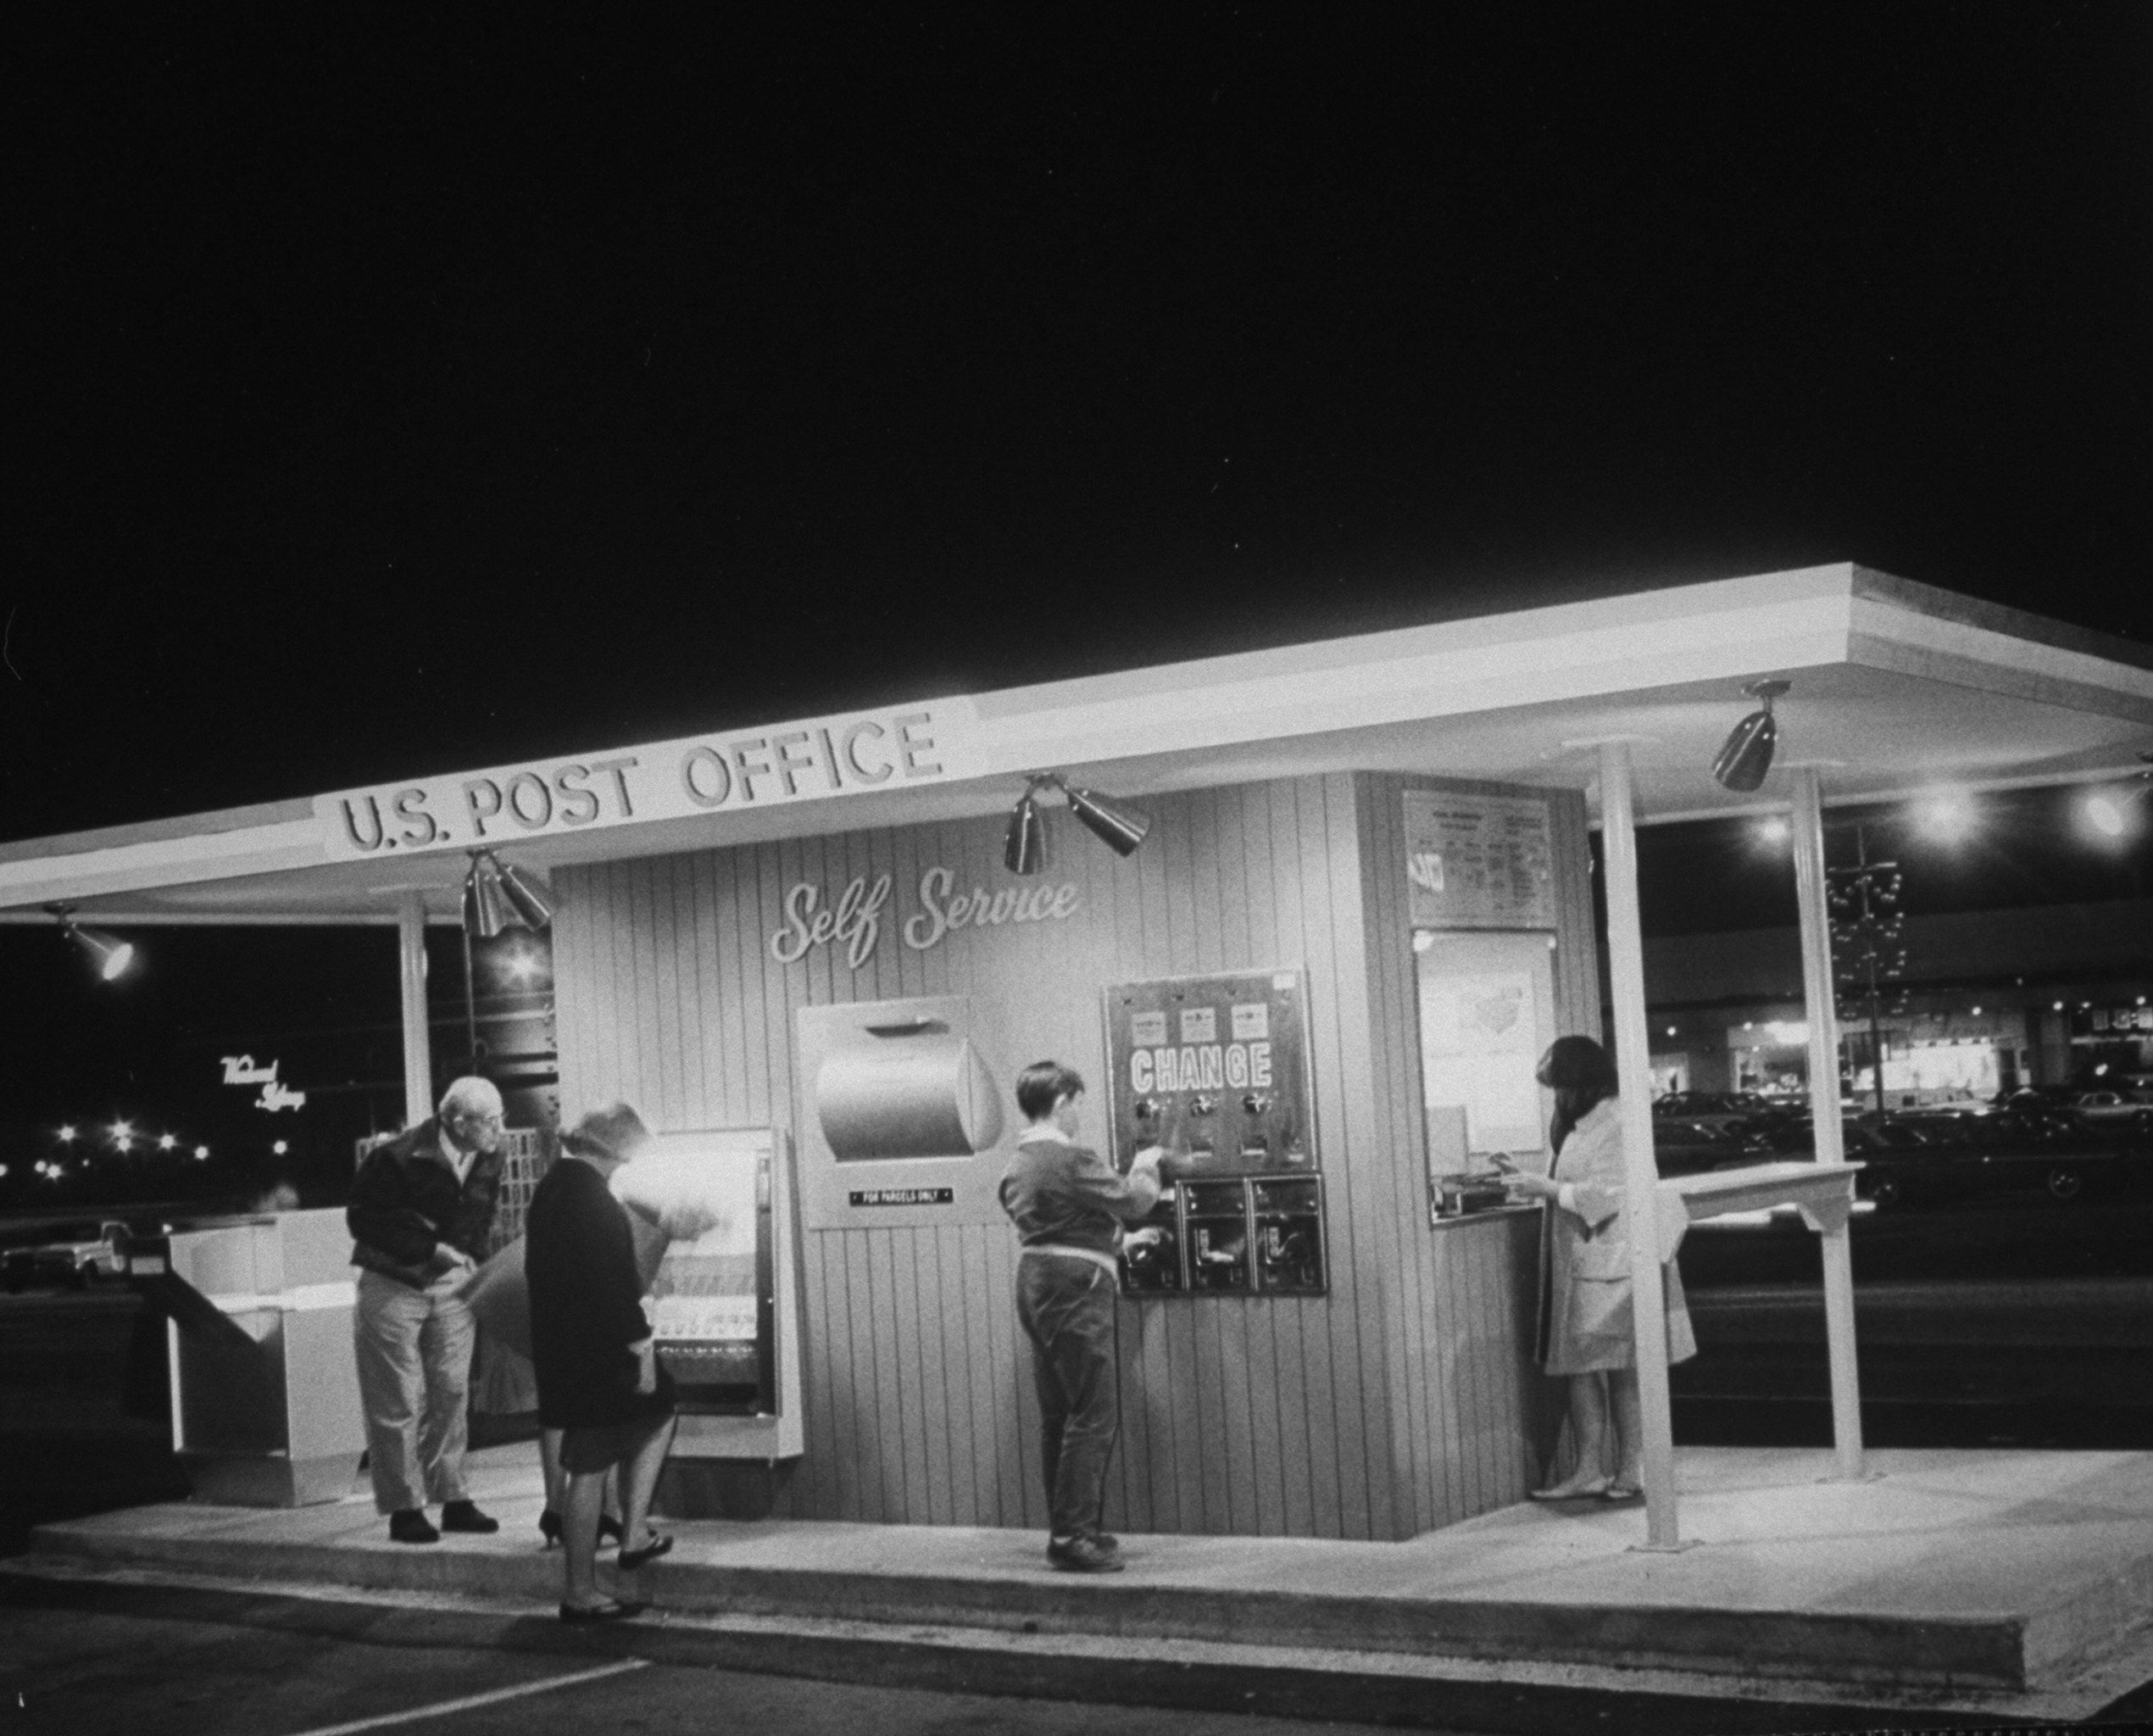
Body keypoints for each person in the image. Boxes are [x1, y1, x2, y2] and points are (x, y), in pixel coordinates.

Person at [1499, 1034, 1696, 1502]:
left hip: (1612, 1261)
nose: (1557, 1096)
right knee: (1601, 1369)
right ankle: (1613, 1471)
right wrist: (1530, 1174)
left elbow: (1609, 1194)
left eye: (1560, 1086)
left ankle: (1618, 1470)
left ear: (1581, 1081)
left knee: (1602, 1367)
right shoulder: (1591, 1120)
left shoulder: (1614, 1121)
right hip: (1602, 1262)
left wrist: (1544, 1188)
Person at [998, 1060, 1165, 1572]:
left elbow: (1054, 1222)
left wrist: (1118, 1242)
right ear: (1064, 1100)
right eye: (1080, 1104)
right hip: (1077, 1288)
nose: (1081, 1115)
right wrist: (1147, 1163)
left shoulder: (1019, 1162)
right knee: (1095, 1412)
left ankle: (1070, 1527)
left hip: (1036, 1282)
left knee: (1060, 1415)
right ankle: (1073, 1538)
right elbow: (1136, 1201)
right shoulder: (1068, 1158)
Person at [526, 1102, 680, 1622]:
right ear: (613, 1149)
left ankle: (631, 1536)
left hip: (564, 1350)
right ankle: (580, 1590)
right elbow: (613, 1284)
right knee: (592, 1463)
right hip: (598, 1353)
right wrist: (640, 1347)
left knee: (617, 1439)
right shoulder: (591, 1199)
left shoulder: (554, 1190)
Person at [348, 1077, 509, 1543]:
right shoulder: (395, 1157)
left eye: (500, 1117)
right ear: (457, 1122)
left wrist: (471, 1255)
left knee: (452, 1392)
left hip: (453, 1281)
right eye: (491, 1121)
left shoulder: (490, 1152)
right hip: (393, 1281)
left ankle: (454, 1498)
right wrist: (431, 1249)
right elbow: (364, 1220)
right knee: (397, 1398)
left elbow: (484, 1209)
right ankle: (404, 1508)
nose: (500, 1129)